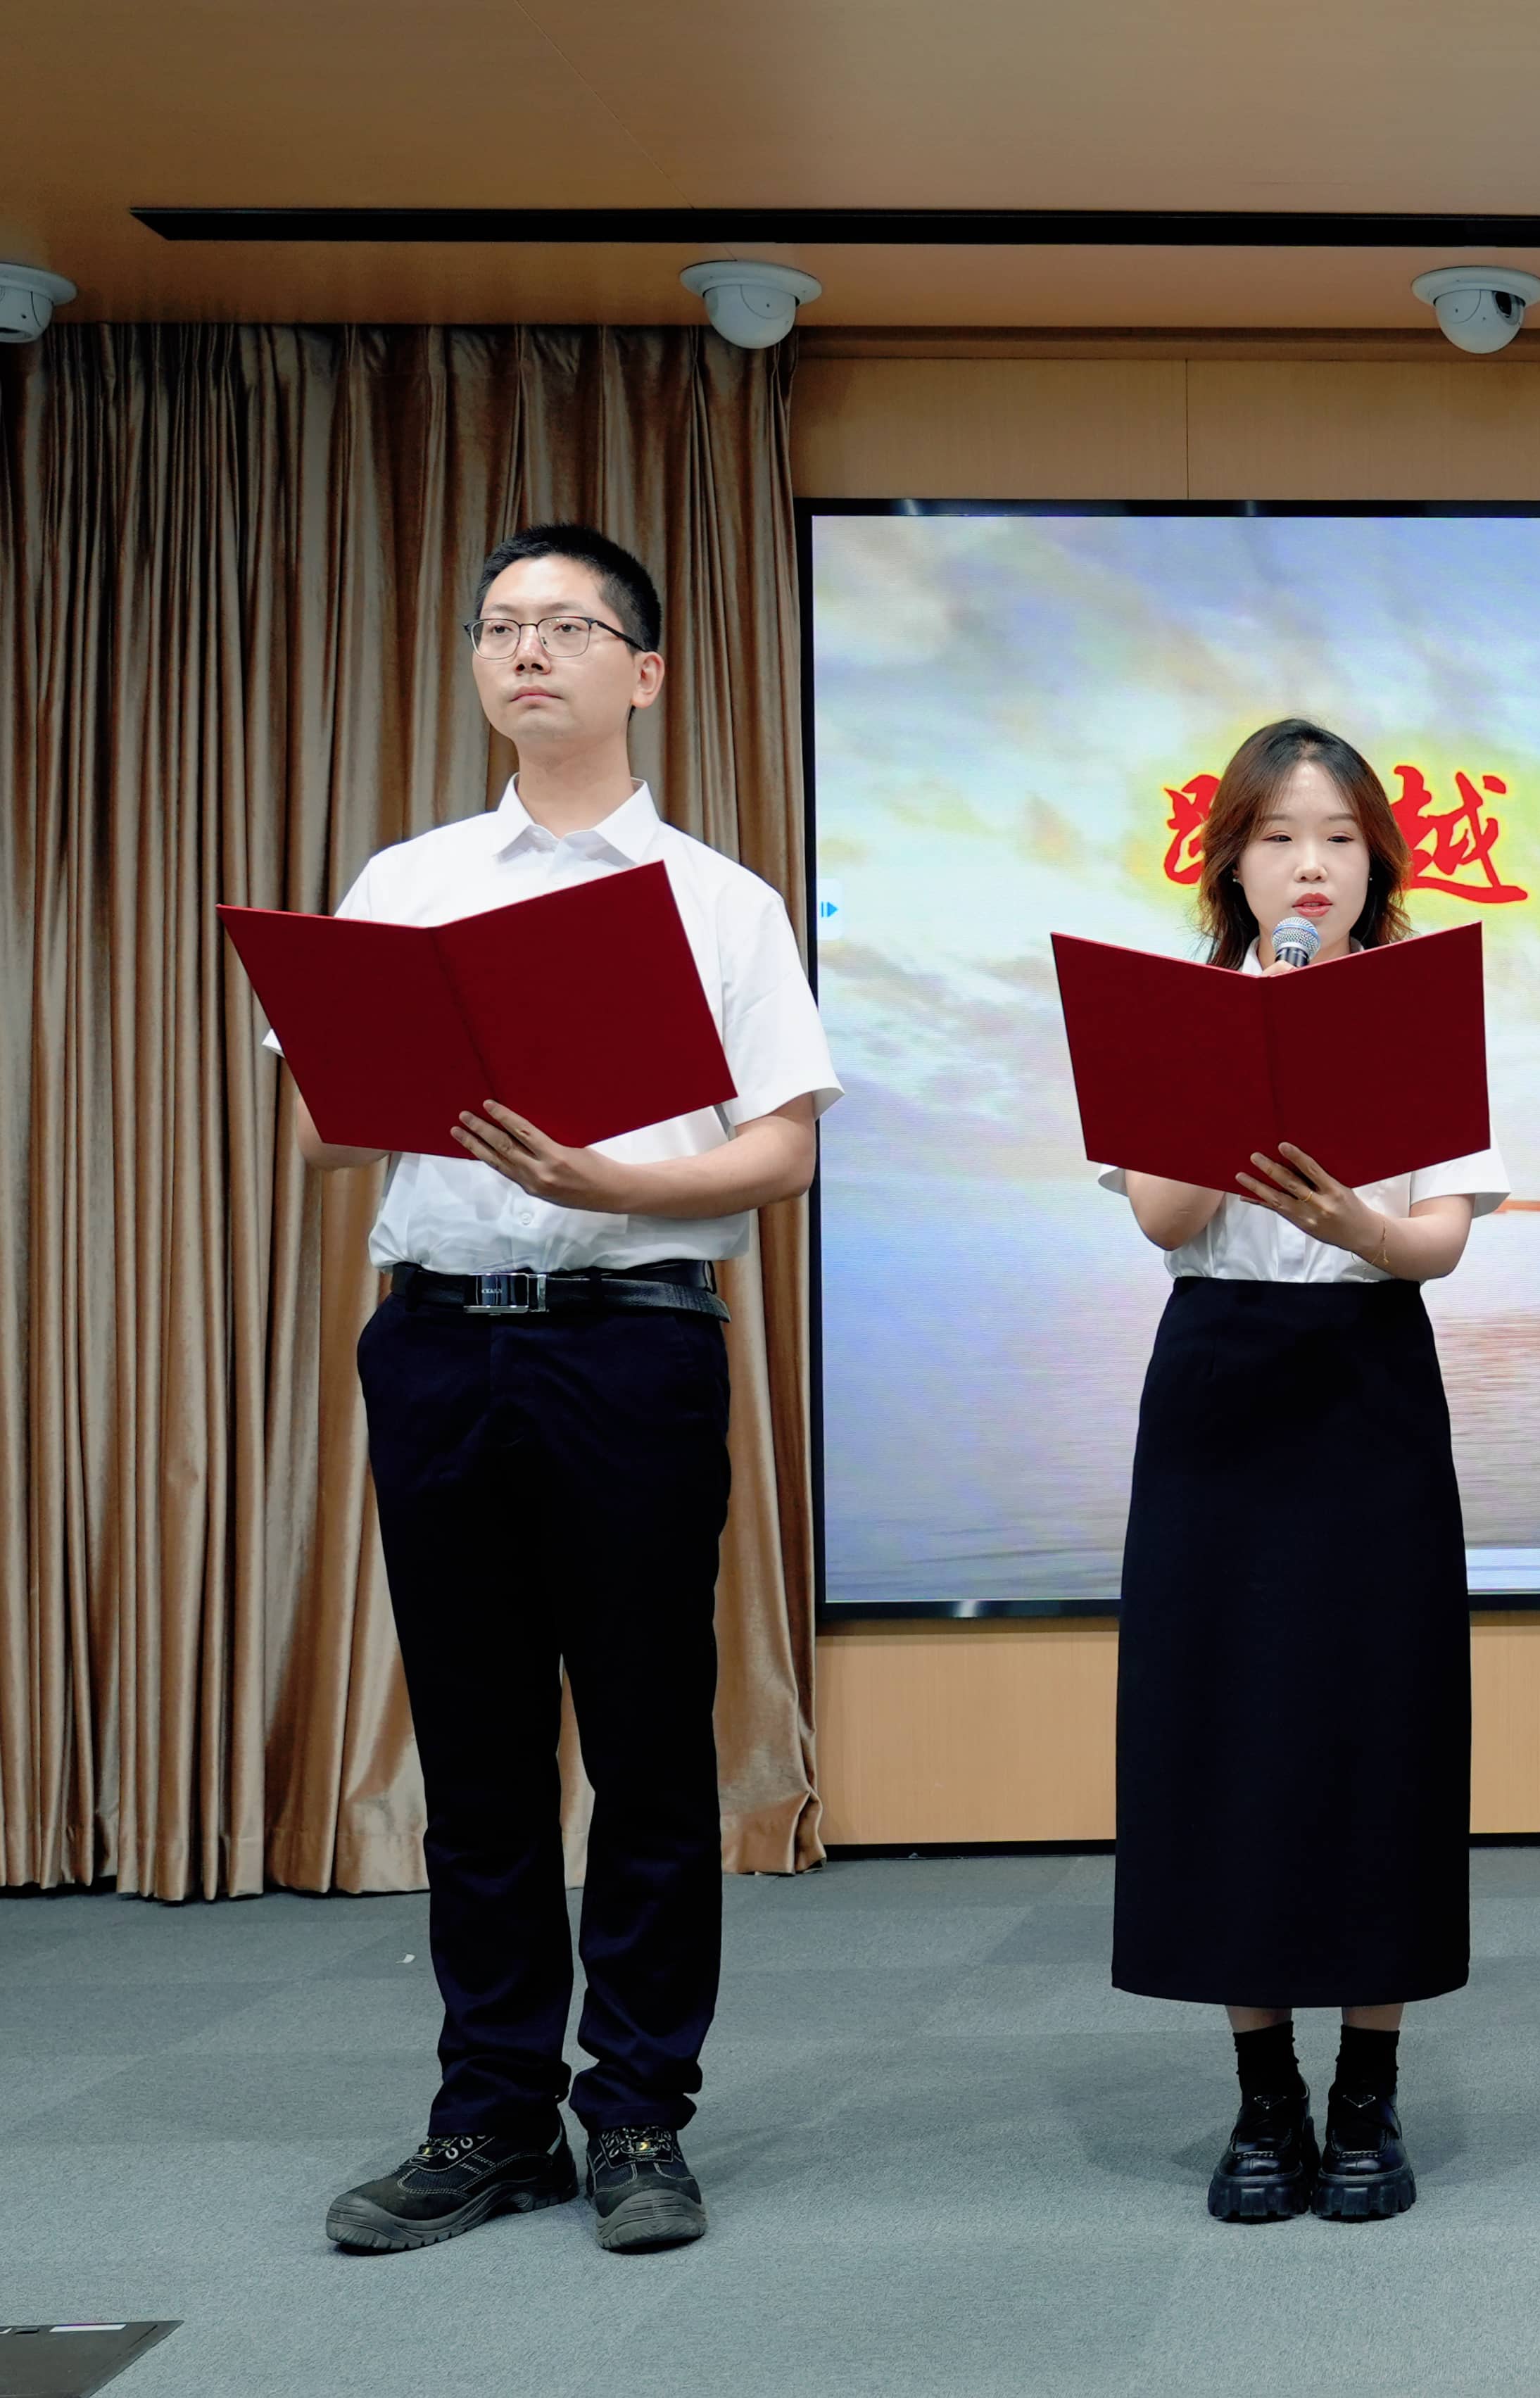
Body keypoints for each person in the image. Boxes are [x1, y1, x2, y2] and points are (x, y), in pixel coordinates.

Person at [299, 526, 840, 2255]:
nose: (525, 651)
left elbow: (784, 1149)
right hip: (438, 1336)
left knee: (647, 1740)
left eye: (566, 626)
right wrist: (390, 1084)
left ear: (644, 673)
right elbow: (325, 1126)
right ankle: (490, 2114)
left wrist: (622, 1183)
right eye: (500, 627)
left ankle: (638, 2114)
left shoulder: (718, 900)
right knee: (474, 1747)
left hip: (630, 1339)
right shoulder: (407, 882)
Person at [1104, 718, 1505, 2226]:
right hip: (1218, 1379)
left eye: (1338, 837)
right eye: (1279, 837)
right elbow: (1160, 1219)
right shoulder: (1177, 1014)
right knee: (1228, 1729)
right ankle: (1262, 2095)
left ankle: (1368, 2095)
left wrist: (1359, 1229)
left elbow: (1439, 1244)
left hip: (1366, 1372)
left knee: (1378, 1727)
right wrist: (1238, 1067)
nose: (1310, 865)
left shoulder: (1422, 1012)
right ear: (1233, 863)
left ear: (1375, 861)